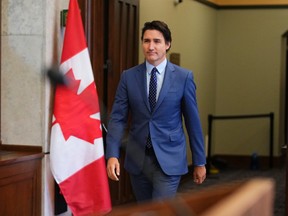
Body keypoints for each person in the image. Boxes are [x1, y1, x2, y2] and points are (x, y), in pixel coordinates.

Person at [106, 20, 206, 202]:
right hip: (138, 160)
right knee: (145, 210)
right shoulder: (128, 77)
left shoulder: (184, 77)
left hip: (169, 159)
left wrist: (200, 161)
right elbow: (117, 118)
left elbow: (193, 122)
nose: (151, 46)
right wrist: (112, 154)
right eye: (146, 41)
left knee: (160, 211)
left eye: (157, 41)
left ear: (167, 44)